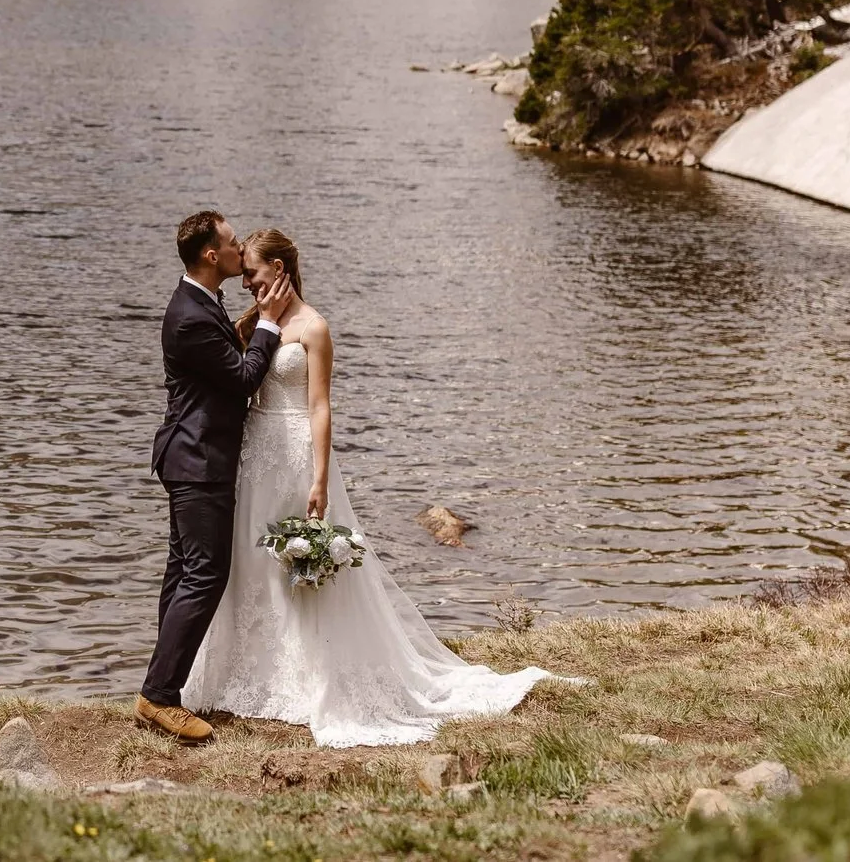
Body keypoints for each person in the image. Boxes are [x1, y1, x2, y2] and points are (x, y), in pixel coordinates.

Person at [179, 227, 564, 746]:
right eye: (243, 271)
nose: (246, 281)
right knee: (252, 561)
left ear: (281, 269)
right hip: (256, 456)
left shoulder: (314, 328)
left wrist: (319, 476)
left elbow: (319, 405)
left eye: (253, 271)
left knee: (298, 561)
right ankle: (250, 670)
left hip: (296, 455)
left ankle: (312, 675)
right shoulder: (253, 324)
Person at [134, 210, 282, 743]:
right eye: (232, 240)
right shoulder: (191, 314)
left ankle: (164, 684)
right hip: (198, 461)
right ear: (210, 256)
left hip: (191, 457)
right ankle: (160, 696)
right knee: (204, 574)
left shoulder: (200, 302)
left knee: (183, 572)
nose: (240, 246)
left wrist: (246, 321)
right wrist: (267, 324)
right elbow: (242, 378)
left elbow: (218, 361)